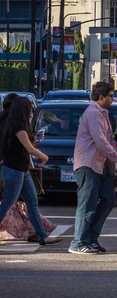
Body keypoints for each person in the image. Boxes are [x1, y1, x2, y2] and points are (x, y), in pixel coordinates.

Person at [69, 82, 117, 255]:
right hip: (88, 164)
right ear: (101, 97)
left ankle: (91, 238)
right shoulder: (93, 113)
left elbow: (109, 141)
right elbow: (100, 141)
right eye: (111, 95)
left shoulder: (103, 113)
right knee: (87, 205)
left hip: (101, 164)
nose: (113, 98)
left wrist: (116, 158)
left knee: (109, 199)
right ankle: (78, 242)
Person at [0, 97, 60, 246]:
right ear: (24, 110)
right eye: (30, 109)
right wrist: (44, 157)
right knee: (7, 205)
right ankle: (41, 235)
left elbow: (27, 147)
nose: (32, 112)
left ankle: (41, 235)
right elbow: (30, 148)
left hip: (23, 170)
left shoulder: (19, 125)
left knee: (32, 203)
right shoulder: (17, 126)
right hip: (14, 170)